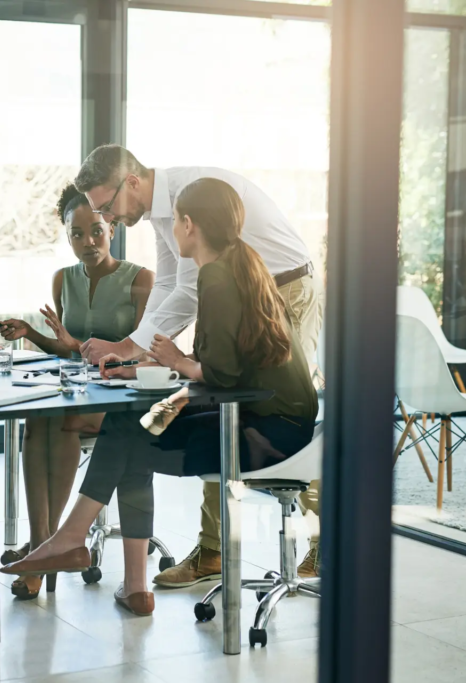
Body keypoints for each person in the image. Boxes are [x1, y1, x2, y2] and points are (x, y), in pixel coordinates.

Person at [1, 178, 318, 616]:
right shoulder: (237, 267)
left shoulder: (220, 278)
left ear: (188, 225)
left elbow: (221, 374)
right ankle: (113, 572)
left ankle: (74, 541)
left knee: (130, 437)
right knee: (130, 431)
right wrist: (152, 364)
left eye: (174, 226)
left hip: (265, 435)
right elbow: (224, 361)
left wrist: (181, 364)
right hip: (273, 421)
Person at [73, 144, 323, 588]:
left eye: (107, 208)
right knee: (220, 408)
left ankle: (326, 540)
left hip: (285, 291)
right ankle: (213, 549)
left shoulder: (190, 199)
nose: (107, 220)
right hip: (244, 291)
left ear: (131, 182)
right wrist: (134, 349)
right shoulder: (163, 214)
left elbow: (187, 292)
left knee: (260, 409)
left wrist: (136, 348)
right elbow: (171, 283)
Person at [0, 184, 154, 600]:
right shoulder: (62, 280)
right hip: (78, 391)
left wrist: (80, 348)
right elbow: (68, 349)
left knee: (58, 419)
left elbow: (147, 354)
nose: (88, 242)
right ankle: (44, 541)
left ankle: (44, 550)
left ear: (112, 227)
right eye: (77, 234)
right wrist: (31, 333)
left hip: (120, 398)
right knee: (37, 418)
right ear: (67, 236)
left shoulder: (141, 280)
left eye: (96, 231)